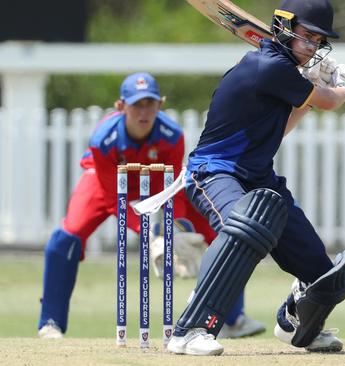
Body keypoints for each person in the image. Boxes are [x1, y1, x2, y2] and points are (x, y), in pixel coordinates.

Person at [165, 0, 345, 356]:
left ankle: (294, 323)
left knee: (325, 275)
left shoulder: (282, 74)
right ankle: (189, 330)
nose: (313, 47)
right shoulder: (266, 66)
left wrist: (310, 92)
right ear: (284, 27)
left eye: (319, 41)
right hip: (213, 172)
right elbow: (331, 101)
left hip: (258, 178)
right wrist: (342, 87)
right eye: (307, 37)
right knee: (245, 230)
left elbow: (281, 129)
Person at [37, 72, 264, 340]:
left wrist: (174, 229)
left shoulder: (171, 136)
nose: (143, 112)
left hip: (156, 184)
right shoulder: (104, 140)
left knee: (224, 232)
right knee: (65, 239)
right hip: (106, 184)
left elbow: (172, 191)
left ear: (160, 104)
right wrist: (153, 234)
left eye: (149, 104)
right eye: (136, 105)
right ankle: (50, 322)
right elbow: (115, 200)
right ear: (121, 106)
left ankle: (232, 319)